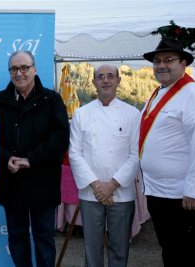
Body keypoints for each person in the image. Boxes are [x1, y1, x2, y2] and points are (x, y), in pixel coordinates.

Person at [0, 50, 69, 267]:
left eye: (24, 67)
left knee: (43, 238)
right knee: (17, 236)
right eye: (14, 68)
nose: (19, 73)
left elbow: (60, 138)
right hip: (11, 182)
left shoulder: (52, 99)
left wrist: (30, 160)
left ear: (35, 69)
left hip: (43, 183)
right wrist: (7, 158)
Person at [140, 38, 195, 267]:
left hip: (184, 196)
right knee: (170, 250)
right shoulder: (158, 93)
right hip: (160, 192)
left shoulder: (194, 93)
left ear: (183, 63)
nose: (161, 65)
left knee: (185, 252)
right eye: (157, 61)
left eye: (169, 60)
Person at [69, 64, 140, 267]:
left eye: (110, 76)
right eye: (100, 76)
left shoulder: (132, 114)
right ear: (93, 82)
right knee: (92, 248)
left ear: (118, 80)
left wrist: (111, 186)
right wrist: (97, 186)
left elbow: (135, 155)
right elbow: (75, 153)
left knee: (120, 249)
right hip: (91, 193)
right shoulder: (81, 114)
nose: (106, 80)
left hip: (122, 192)